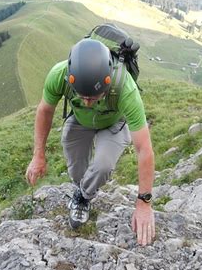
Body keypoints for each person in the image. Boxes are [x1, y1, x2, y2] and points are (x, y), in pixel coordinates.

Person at [25, 38, 155, 246]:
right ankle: (82, 187)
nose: (87, 102)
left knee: (103, 165)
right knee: (76, 169)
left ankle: (83, 198)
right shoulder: (59, 75)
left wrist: (144, 203)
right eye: (81, 96)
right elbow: (45, 110)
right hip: (80, 119)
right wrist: (38, 155)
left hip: (113, 123)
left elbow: (144, 149)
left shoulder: (125, 88)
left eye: (94, 97)